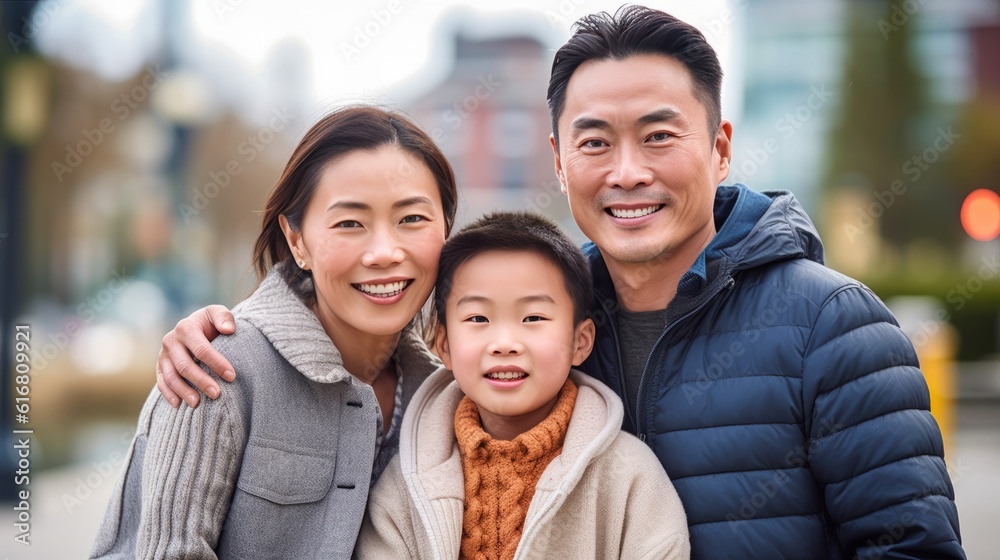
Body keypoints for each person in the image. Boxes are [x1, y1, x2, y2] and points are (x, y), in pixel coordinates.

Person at [155, 5, 965, 559]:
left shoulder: (834, 326)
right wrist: (243, 331)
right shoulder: (536, 318)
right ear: (557, 160)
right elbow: (381, 322)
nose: (628, 172)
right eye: (595, 142)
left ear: (719, 147)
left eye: (659, 135)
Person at [90, 106, 458, 559]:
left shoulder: (444, 395)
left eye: (412, 219)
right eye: (349, 223)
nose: (384, 252)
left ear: (447, 230)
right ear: (297, 240)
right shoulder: (217, 369)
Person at [354, 211, 689, 559]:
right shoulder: (408, 480)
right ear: (444, 346)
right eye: (478, 318)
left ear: (581, 341)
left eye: (533, 318)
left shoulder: (628, 475)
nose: (504, 343)